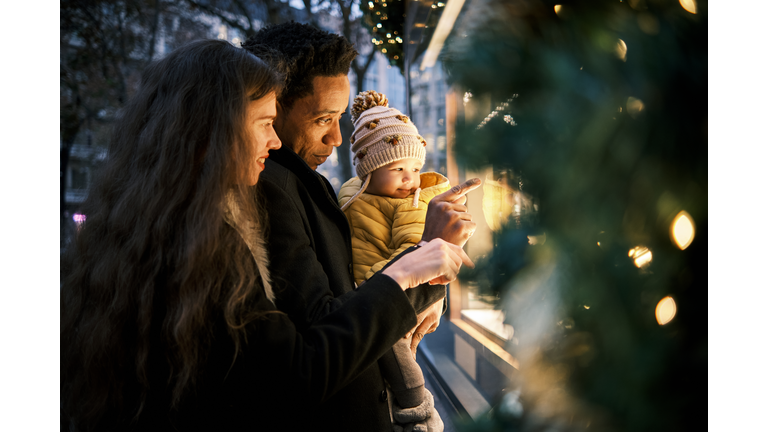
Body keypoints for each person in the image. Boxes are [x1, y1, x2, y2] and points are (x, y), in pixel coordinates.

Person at [59, 39, 472, 431]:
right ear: (210, 132)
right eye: (264, 123)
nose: (273, 142)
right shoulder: (204, 240)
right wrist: (402, 276)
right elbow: (294, 373)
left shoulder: (165, 220)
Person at [242, 22, 480, 431]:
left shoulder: (302, 181)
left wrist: (428, 276)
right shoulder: (273, 188)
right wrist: (424, 251)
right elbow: (323, 335)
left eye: (339, 118)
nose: (336, 137)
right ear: (272, 108)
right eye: (323, 119)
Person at [337, 89, 453, 430]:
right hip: (365, 294)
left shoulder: (412, 203)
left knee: (397, 355)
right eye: (398, 167)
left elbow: (413, 251)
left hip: (395, 293)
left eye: (415, 167)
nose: (410, 178)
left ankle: (419, 413)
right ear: (367, 170)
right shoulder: (351, 194)